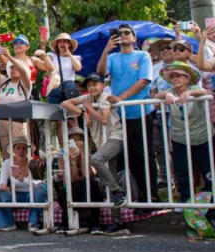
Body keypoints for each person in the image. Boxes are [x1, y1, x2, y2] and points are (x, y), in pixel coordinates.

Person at [97, 23, 158, 204]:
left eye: (126, 33)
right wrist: (106, 50)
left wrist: (121, 98)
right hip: (121, 117)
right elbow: (101, 72)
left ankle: (152, 196)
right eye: (119, 33)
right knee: (127, 158)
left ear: (134, 38)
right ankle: (137, 197)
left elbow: (144, 81)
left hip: (140, 113)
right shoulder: (113, 57)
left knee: (144, 155)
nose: (122, 35)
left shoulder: (142, 55)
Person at [61, 73, 128, 232]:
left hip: (115, 138)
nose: (92, 88)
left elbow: (104, 119)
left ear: (102, 86)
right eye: (89, 85)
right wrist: (84, 112)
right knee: (110, 178)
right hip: (103, 142)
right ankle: (117, 221)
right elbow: (65, 103)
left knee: (96, 161)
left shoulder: (104, 97)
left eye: (95, 84)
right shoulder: (87, 98)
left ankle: (119, 192)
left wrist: (89, 108)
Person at [156, 62, 213, 203]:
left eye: (179, 76)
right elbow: (157, 96)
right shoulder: (172, 93)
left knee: (208, 171)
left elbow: (206, 92)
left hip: (202, 136)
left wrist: (190, 92)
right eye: (173, 77)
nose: (175, 79)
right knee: (181, 171)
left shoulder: (194, 88)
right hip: (179, 138)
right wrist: (167, 93)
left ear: (187, 79)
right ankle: (186, 199)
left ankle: (209, 200)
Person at [0, 136, 48, 233]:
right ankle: (7, 223)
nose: (21, 151)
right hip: (15, 194)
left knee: (39, 193)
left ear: (28, 150)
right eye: (18, 148)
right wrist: (3, 186)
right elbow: (1, 182)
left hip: (31, 194)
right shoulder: (7, 163)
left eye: (24, 148)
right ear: (13, 150)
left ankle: (33, 222)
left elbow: (38, 184)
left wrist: (23, 179)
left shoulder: (33, 163)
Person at [45, 33, 82, 104]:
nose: (62, 44)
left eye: (64, 41)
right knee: (54, 111)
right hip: (55, 85)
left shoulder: (75, 58)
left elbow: (78, 68)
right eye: (60, 42)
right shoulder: (52, 56)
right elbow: (45, 65)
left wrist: (68, 53)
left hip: (69, 85)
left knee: (70, 112)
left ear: (69, 44)